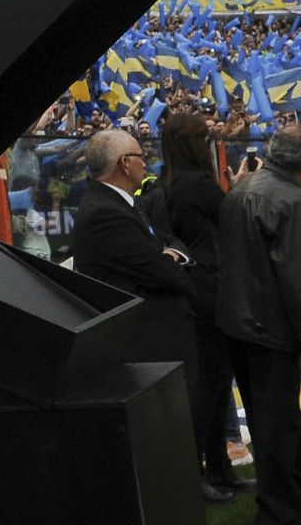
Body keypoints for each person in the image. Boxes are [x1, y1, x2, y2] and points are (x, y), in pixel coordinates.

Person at [71, 130, 215, 497]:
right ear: (124, 164)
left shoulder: (122, 204)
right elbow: (163, 269)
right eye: (140, 154)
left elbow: (168, 246)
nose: (146, 161)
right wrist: (170, 262)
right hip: (151, 339)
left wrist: (170, 257)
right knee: (167, 431)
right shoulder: (105, 212)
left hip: (160, 335)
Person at [158, 110, 248, 493]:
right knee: (209, 387)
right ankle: (197, 474)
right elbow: (236, 217)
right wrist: (241, 185)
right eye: (205, 139)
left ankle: (218, 469)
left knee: (212, 385)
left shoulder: (171, 182)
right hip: (212, 292)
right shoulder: (197, 184)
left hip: (198, 291)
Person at [219, 127, 301, 525]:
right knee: (280, 434)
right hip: (273, 331)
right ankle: (280, 512)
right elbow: (295, 280)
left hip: (240, 326)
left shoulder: (243, 189)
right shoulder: (290, 200)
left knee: (269, 429)